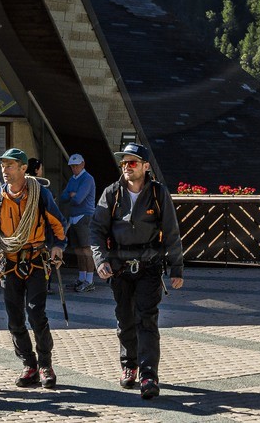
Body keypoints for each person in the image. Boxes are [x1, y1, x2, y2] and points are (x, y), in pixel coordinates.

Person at [92, 142, 184, 401]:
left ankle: (148, 375)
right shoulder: (111, 193)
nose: (126, 167)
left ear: (145, 166)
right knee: (124, 320)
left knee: (147, 319)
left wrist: (176, 268)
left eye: (132, 162)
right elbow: (96, 230)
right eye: (123, 163)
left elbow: (172, 232)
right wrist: (100, 260)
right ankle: (129, 365)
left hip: (149, 267)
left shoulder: (158, 193)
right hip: (119, 268)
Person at [0, 147, 67, 389]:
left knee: (36, 314)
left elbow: (58, 224)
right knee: (15, 318)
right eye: (3, 166)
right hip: (9, 263)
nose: (4, 170)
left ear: (23, 168)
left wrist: (58, 246)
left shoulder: (40, 195)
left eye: (9, 165)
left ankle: (45, 365)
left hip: (36, 260)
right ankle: (29, 365)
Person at [58, 153, 97, 292]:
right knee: (78, 251)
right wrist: (71, 194)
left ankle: (89, 281)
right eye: (72, 166)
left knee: (86, 250)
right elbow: (63, 197)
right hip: (74, 217)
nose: (74, 168)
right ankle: (82, 278)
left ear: (83, 164)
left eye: (76, 165)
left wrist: (71, 194)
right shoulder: (72, 179)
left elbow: (78, 199)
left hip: (85, 217)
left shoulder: (88, 178)